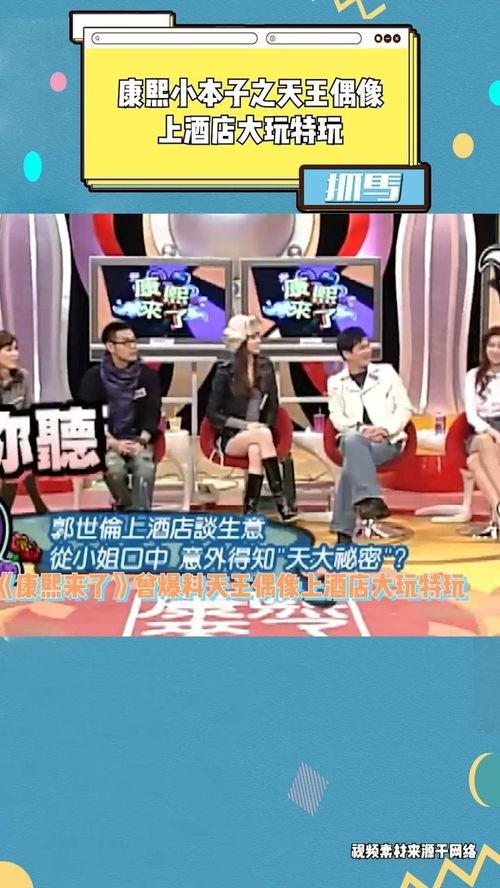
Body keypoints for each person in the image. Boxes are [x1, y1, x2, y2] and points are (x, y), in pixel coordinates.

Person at [328, 327, 413, 543]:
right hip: (354, 438)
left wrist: (385, 429)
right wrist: (362, 430)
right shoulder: (336, 382)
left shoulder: (386, 373)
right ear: (347, 354)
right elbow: (337, 418)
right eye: (362, 348)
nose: (368, 351)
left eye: (368, 346)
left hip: (386, 442)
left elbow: (404, 408)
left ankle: (344, 532)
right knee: (352, 440)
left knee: (351, 464)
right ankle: (369, 499)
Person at [206, 314, 296, 521]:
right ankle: (282, 504)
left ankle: (249, 509)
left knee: (256, 450)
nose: (259, 341)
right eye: (253, 337)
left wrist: (263, 426)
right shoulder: (224, 372)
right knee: (262, 435)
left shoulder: (265, 367)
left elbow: (272, 406)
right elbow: (213, 412)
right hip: (232, 437)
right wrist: (246, 426)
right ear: (241, 342)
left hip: (260, 434)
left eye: (258, 336)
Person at [79, 321, 161, 511]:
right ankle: (127, 508)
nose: (133, 347)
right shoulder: (94, 377)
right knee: (114, 469)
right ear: (110, 347)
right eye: (126, 342)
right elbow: (88, 417)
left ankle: (141, 517)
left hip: (139, 440)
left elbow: (153, 414)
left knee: (145, 469)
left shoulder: (147, 376)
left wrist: (141, 441)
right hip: (107, 441)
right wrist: (113, 443)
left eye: (134, 341)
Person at [0, 330, 48, 514]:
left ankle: (7, 510)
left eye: (16, 349)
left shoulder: (23, 377)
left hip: (15, 436)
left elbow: (30, 410)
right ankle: (36, 504)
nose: (15, 354)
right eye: (8, 350)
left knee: (19, 452)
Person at [464, 325, 500, 531]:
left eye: (499, 346)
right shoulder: (473, 375)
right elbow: (471, 416)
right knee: (486, 442)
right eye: (491, 346)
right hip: (480, 431)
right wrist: (493, 432)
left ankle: (498, 513)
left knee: (474, 461)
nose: (495, 350)